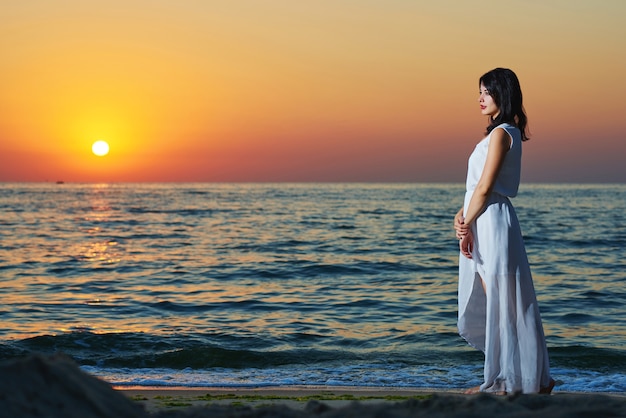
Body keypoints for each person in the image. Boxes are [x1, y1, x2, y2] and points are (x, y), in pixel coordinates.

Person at [453, 68, 554, 395]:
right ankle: (528, 378)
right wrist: (462, 216)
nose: (480, 98)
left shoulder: (501, 134)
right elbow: (476, 189)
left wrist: (467, 221)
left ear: (502, 93)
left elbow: (485, 187)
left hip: (491, 222)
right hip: (485, 218)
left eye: (486, 91)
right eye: (479, 92)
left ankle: (506, 381)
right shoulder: (502, 133)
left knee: (504, 304)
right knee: (506, 303)